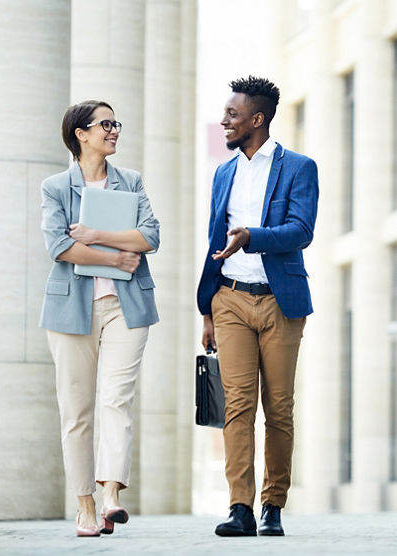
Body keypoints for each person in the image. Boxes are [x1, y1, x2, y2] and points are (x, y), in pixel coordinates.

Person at [197, 76, 318, 537]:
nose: (224, 120)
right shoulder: (223, 172)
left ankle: (273, 505)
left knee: (279, 407)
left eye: (232, 114)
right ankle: (240, 508)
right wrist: (206, 308)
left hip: (280, 303)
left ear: (257, 119)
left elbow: (301, 230)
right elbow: (214, 240)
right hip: (229, 299)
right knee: (237, 407)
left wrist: (253, 238)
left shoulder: (298, 167)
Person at [39, 100, 159, 537]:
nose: (114, 130)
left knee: (116, 400)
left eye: (115, 123)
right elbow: (59, 247)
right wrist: (119, 257)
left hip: (127, 308)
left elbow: (150, 236)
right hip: (71, 308)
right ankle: (85, 506)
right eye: (105, 124)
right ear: (81, 134)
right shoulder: (55, 187)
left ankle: (111, 494)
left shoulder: (131, 182)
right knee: (77, 411)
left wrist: (94, 236)